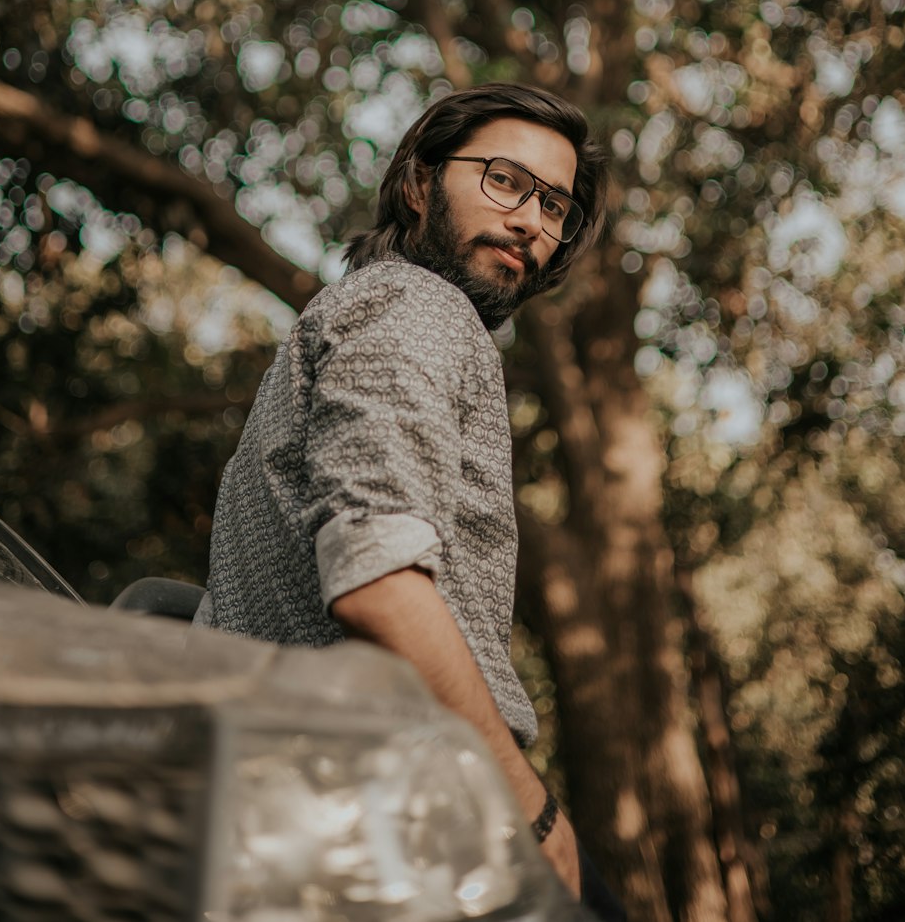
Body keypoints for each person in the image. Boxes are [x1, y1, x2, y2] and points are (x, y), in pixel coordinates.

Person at [198, 84, 623, 918]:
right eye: (504, 179)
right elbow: (376, 578)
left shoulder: (360, 312)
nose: (532, 220)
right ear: (420, 183)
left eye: (554, 205)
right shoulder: (419, 305)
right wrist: (528, 810)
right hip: (405, 822)